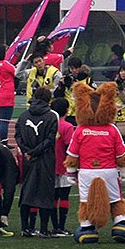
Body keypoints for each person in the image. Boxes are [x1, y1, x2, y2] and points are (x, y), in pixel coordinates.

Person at [16, 87, 61, 237]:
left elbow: (18, 136)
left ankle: (25, 228)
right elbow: (50, 139)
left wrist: (28, 152)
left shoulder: (23, 116)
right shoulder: (51, 116)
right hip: (45, 158)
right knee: (46, 193)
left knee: (27, 191)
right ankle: (43, 229)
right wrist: (35, 152)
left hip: (28, 159)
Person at [51, 97, 76, 236]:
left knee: (53, 196)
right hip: (64, 165)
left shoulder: (49, 123)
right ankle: (61, 226)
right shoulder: (67, 126)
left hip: (50, 165)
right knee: (64, 196)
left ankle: (54, 226)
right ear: (67, 110)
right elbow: (69, 147)